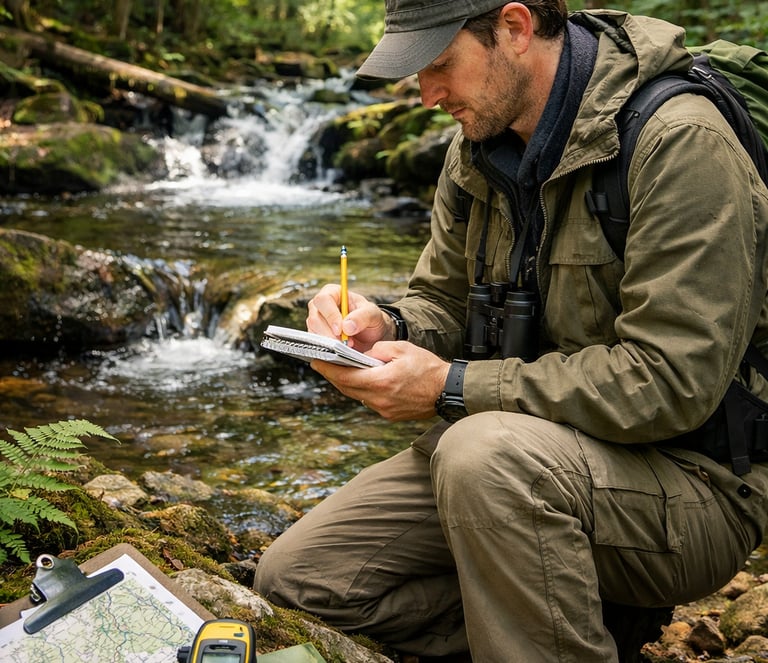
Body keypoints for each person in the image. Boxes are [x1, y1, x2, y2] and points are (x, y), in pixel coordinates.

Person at [254, 1, 768, 660]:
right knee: (298, 579)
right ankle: (580, 622)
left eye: (440, 64)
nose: (428, 94)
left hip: (692, 483)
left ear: (517, 28)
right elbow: (442, 302)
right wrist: (383, 323)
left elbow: (670, 380)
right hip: (520, 461)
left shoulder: (680, 142)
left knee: (479, 456)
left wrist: (451, 386)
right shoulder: (475, 147)